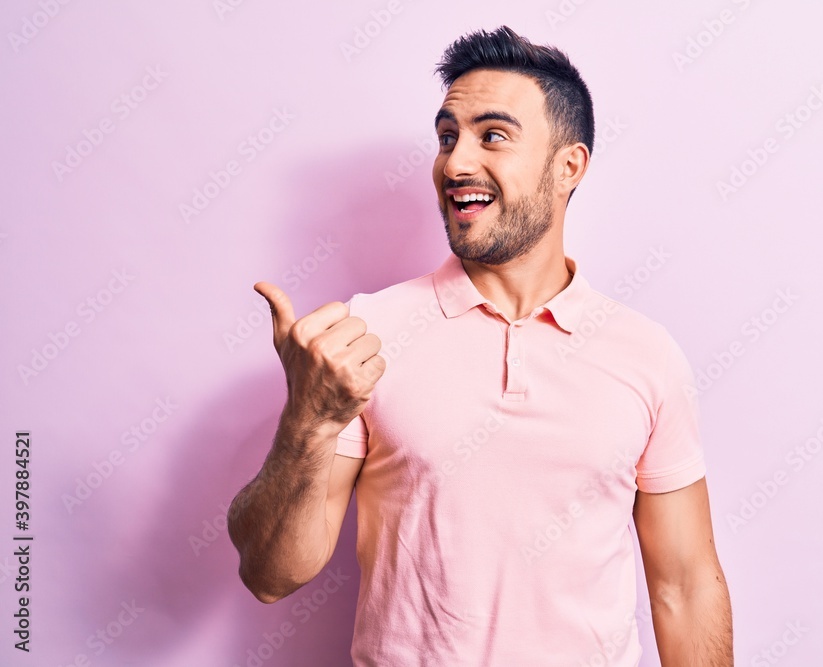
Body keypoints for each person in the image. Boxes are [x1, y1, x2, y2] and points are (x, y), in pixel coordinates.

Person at [227, 25, 733, 666]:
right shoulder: (365, 334)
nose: (456, 163)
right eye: (446, 138)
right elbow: (271, 576)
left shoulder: (646, 354)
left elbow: (685, 587)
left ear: (568, 165)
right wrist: (307, 420)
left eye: (493, 135)